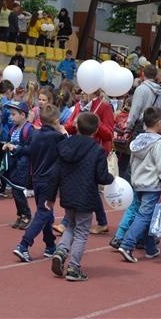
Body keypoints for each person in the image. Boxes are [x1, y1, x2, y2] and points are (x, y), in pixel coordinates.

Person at [48, 112, 115, 281]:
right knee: (82, 231)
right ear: (96, 131)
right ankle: (73, 267)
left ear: (77, 126)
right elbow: (101, 176)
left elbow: (56, 172)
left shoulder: (65, 145)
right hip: (86, 195)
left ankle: (61, 250)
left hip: (68, 192)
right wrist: (112, 178)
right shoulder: (97, 150)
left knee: (70, 224)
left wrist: (51, 196)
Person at [117, 107, 161, 263]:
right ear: (158, 123)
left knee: (149, 215)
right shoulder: (159, 142)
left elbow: (133, 162)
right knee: (144, 215)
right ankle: (127, 244)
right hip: (151, 184)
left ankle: (151, 248)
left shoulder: (137, 140)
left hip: (138, 182)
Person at [13, 104, 66, 262]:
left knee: (47, 214)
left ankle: (50, 245)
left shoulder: (35, 134)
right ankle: (24, 244)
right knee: (43, 212)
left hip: (36, 178)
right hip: (49, 180)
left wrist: (16, 149)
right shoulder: (58, 137)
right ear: (56, 121)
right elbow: (68, 151)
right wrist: (63, 132)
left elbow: (28, 150)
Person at [2, 101, 34, 230]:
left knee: (18, 191)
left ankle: (26, 215)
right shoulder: (13, 129)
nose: (11, 117)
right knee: (15, 192)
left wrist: (15, 148)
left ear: (22, 115)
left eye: (13, 114)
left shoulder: (28, 129)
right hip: (14, 164)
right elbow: (10, 141)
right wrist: (6, 145)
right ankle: (21, 215)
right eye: (10, 114)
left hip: (23, 165)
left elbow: (31, 148)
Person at [126, 65, 161, 139]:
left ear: (143, 74)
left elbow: (135, 110)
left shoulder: (141, 89)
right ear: (155, 75)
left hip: (143, 128)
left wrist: (129, 127)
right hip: (157, 129)